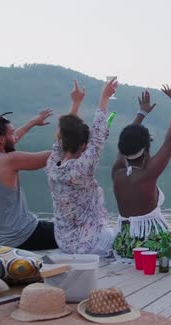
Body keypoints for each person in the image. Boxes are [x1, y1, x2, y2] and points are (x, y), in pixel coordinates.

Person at [45, 79, 117, 255]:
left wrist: (76, 103)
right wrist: (104, 97)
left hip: (64, 242)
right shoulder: (81, 168)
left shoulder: (52, 164)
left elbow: (61, 138)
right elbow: (98, 136)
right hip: (92, 244)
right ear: (84, 146)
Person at [112, 86, 171, 259]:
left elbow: (125, 139)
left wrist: (141, 113)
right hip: (151, 247)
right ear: (146, 149)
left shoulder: (117, 172)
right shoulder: (147, 174)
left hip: (123, 245)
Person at [0, 108, 57, 250]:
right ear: (1, 139)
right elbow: (54, 155)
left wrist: (33, 122)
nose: (15, 135)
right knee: (72, 231)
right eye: (11, 132)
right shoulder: (9, 160)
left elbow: (12, 140)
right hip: (23, 237)